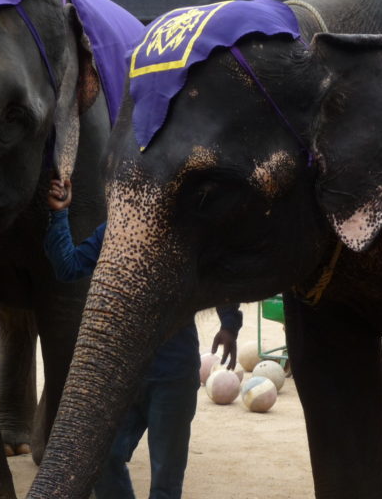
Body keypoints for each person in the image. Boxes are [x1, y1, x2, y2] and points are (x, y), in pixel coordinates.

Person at [44, 177, 242, 499]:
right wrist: (58, 215)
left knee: (165, 481)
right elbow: (68, 267)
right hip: (123, 375)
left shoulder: (186, 231)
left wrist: (229, 324)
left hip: (173, 376)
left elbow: (218, 276)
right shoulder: (115, 230)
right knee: (103, 460)